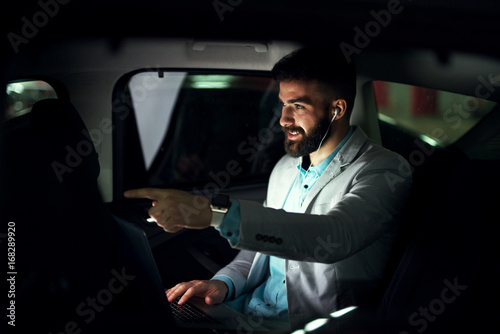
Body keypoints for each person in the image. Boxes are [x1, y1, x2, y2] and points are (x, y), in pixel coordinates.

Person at [124, 46, 412, 330]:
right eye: (283, 104)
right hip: (244, 311)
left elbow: (332, 236)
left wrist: (214, 214)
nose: (284, 119)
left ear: (337, 109)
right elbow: (262, 246)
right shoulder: (286, 167)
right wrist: (222, 284)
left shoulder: (383, 170)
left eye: (298, 106)